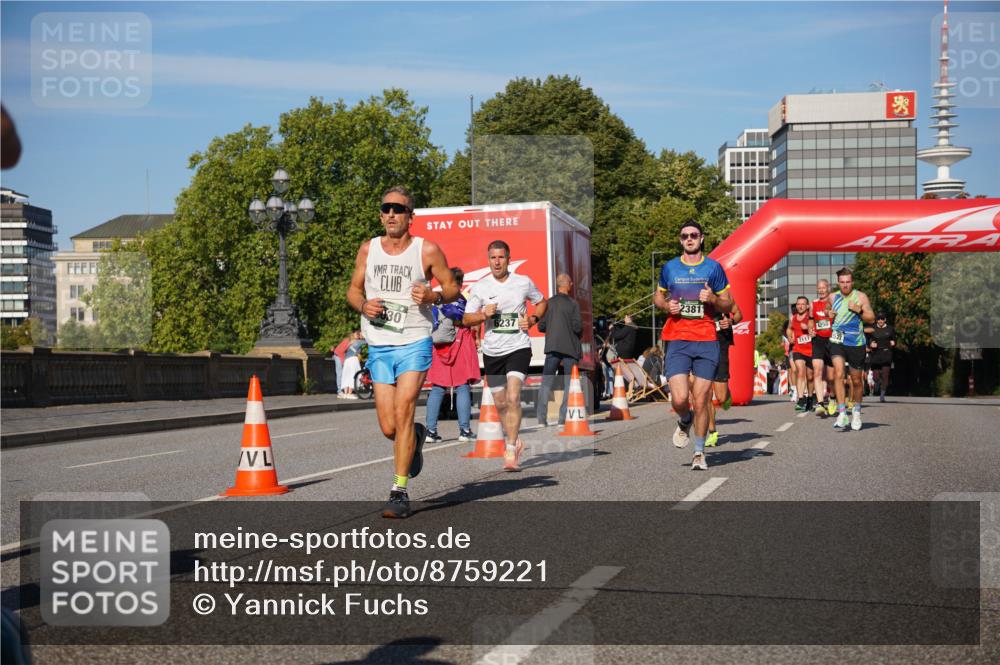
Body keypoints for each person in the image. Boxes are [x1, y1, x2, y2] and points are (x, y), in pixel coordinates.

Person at [347, 186, 459, 519]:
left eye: (399, 209)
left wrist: (434, 297)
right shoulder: (368, 250)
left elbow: (452, 287)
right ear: (381, 214)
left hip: (414, 339)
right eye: (387, 208)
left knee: (406, 407)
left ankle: (399, 491)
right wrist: (364, 305)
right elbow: (353, 291)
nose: (392, 214)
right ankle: (416, 437)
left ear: (411, 216)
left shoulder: (427, 250)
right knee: (389, 426)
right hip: (380, 344)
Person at [653, 221, 733, 470]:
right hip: (677, 338)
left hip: (707, 340)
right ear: (680, 240)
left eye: (694, 235)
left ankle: (699, 453)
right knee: (679, 398)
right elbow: (658, 295)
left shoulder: (713, 268)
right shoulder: (670, 268)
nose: (689, 239)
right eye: (685, 235)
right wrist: (666, 305)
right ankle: (684, 419)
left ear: (701, 238)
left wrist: (713, 299)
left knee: (701, 400)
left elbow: (729, 304)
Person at [463, 240, 547, 471]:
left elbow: (541, 302)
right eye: (493, 258)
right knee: (500, 404)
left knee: (513, 397)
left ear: (509, 259)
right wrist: (482, 315)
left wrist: (532, 320)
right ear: (488, 260)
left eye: (501, 257)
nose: (497, 262)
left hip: (518, 346)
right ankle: (516, 439)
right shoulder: (480, 287)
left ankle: (510, 447)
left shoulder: (523, 282)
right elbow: (466, 319)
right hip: (492, 351)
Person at [424, 268, 479, 443]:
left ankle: (431, 431)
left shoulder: (437, 301)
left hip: (439, 345)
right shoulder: (463, 300)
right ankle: (464, 430)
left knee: (438, 388)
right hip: (460, 343)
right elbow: (469, 322)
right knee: (462, 386)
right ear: (461, 283)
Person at [826, 266, 876, 431]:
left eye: (848, 282)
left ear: (852, 282)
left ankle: (856, 412)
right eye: (842, 282)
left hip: (856, 341)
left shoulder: (860, 296)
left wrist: (859, 310)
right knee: (838, 374)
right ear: (838, 282)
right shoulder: (833, 297)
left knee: (856, 380)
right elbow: (828, 310)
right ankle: (842, 413)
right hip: (837, 338)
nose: (845, 285)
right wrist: (829, 314)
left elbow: (871, 318)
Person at [536, 273, 583, 427]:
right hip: (570, 348)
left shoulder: (548, 303)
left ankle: (542, 418)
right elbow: (578, 327)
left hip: (552, 347)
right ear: (567, 284)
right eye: (571, 282)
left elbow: (541, 326)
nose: (572, 285)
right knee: (570, 383)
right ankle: (562, 418)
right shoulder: (573, 304)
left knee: (547, 382)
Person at [705, 301, 743, 447]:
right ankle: (712, 431)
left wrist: (731, 321)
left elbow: (739, 313)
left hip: (720, 346)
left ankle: (726, 394)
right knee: (705, 393)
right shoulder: (694, 295)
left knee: (721, 398)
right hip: (701, 347)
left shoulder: (723, 298)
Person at [811, 279, 837, 416]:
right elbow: (810, 320)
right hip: (818, 341)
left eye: (823, 288)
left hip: (832, 340)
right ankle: (820, 404)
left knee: (832, 377)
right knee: (817, 371)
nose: (821, 290)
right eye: (819, 288)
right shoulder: (813, 304)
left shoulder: (834, 302)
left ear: (828, 288)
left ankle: (832, 398)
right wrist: (810, 329)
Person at [786, 297, 815, 412]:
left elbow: (817, 331)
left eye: (803, 304)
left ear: (807, 306)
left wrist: (808, 327)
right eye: (798, 304)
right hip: (798, 349)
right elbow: (789, 329)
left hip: (811, 350)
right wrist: (789, 336)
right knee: (800, 371)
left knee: (810, 376)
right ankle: (801, 399)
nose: (800, 306)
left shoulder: (811, 317)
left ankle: (810, 398)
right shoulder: (793, 317)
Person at [868, 312, 896, 402]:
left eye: (882, 319)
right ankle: (878, 383)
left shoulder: (890, 329)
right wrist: (870, 344)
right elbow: (868, 339)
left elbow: (894, 340)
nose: (880, 320)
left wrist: (893, 343)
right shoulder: (873, 329)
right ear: (877, 320)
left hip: (886, 353)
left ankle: (882, 395)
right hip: (876, 354)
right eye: (879, 319)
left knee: (885, 375)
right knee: (875, 377)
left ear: (885, 320)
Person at [338, 331, 364, 399]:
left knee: (346, 376)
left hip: (347, 360)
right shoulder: (358, 342)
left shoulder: (350, 342)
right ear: (358, 336)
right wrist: (363, 337)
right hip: (353, 360)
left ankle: (345, 393)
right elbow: (368, 341)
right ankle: (350, 393)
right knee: (353, 376)